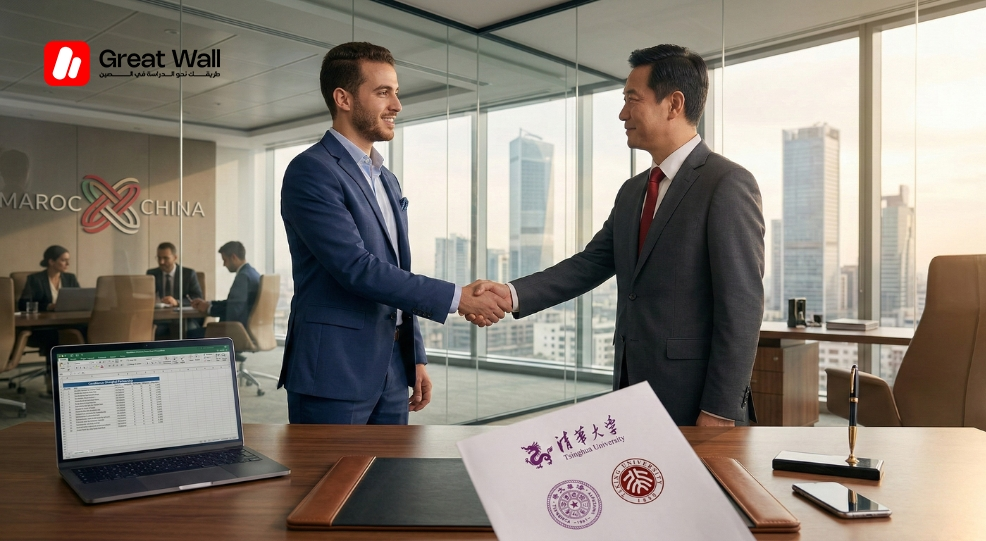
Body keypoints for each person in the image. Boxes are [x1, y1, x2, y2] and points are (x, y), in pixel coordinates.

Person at [469, 45, 766, 427]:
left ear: (673, 104)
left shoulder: (727, 183)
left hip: (697, 401)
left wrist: (720, 410)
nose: (623, 113)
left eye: (632, 99)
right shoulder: (633, 190)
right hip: (632, 389)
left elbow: (742, 307)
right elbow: (590, 264)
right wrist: (509, 295)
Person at [276, 42, 510, 425]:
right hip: (334, 370)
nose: (397, 105)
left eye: (396, 93)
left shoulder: (386, 178)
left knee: (387, 482)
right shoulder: (311, 170)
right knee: (328, 483)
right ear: (343, 99)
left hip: (392, 370)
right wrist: (458, 298)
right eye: (383, 92)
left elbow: (396, 269)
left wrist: (414, 354)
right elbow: (356, 268)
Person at [19, 245, 81, 362]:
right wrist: (48, 306)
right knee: (53, 334)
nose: (67, 264)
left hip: (67, 322)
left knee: (85, 329)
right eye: (63, 260)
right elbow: (23, 304)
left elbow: (79, 299)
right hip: (43, 326)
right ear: (51, 261)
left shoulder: (70, 278)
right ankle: (52, 372)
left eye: (68, 260)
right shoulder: (35, 279)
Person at [190, 241, 259, 333]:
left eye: (225, 260)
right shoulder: (252, 273)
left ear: (233, 257)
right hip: (245, 329)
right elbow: (234, 303)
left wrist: (209, 309)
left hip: (235, 331)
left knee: (187, 335)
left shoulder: (243, 277)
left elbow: (234, 311)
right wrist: (209, 303)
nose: (224, 264)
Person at [147, 242, 204, 338]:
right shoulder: (152, 274)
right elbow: (146, 296)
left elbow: (197, 297)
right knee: (155, 331)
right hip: (161, 319)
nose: (161, 262)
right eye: (159, 258)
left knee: (186, 330)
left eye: (165, 258)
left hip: (184, 319)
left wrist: (177, 302)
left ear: (175, 257)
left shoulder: (188, 274)